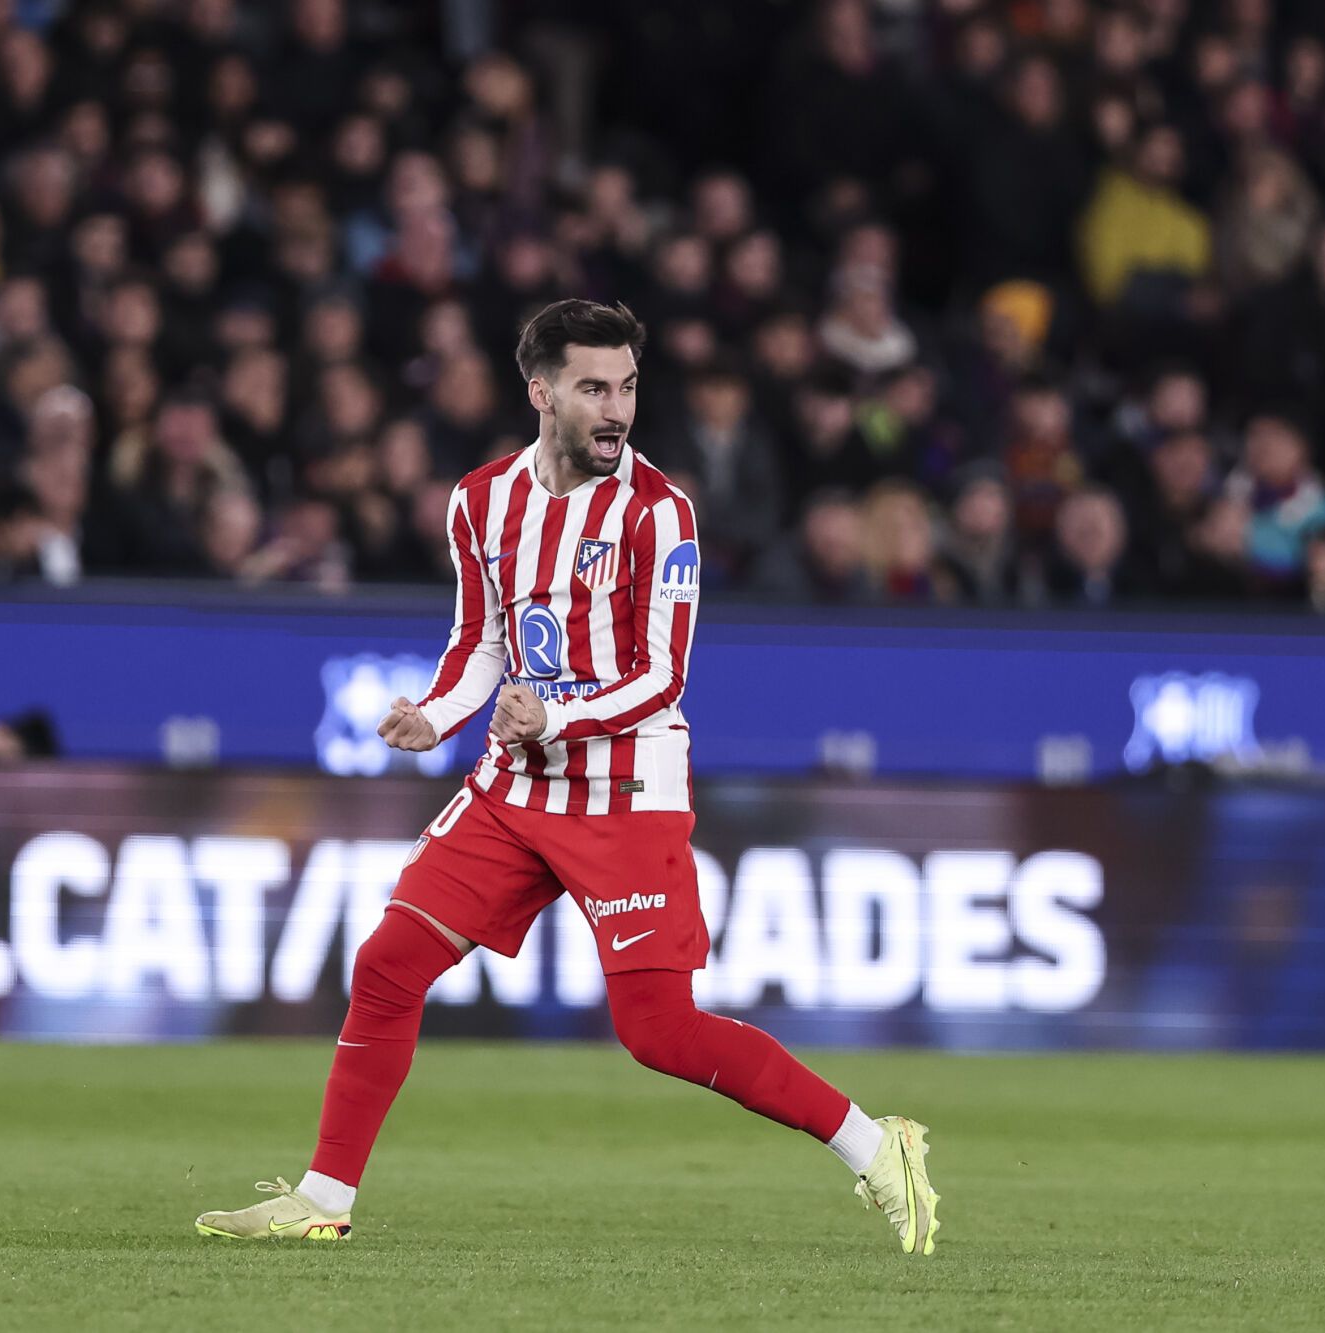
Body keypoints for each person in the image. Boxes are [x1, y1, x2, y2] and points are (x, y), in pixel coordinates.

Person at [195, 300, 939, 1254]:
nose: (616, 408)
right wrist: (436, 711)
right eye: (594, 387)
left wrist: (556, 713)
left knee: (658, 1031)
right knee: (389, 962)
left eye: (627, 385)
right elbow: (482, 641)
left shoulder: (659, 512)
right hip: (518, 786)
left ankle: (878, 1147)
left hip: (625, 788)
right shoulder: (480, 500)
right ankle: (325, 1194)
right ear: (540, 391)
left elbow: (663, 673)